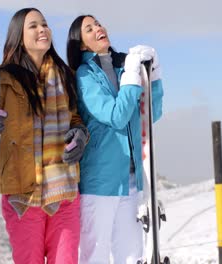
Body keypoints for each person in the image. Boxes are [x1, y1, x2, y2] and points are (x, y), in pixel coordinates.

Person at [0, 8, 88, 264]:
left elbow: (75, 119)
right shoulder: (5, 81)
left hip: (64, 192)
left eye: (44, 24)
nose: (42, 29)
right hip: (23, 198)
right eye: (33, 26)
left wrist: (79, 134)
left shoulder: (65, 76)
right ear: (19, 36)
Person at [66, 15, 164, 263]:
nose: (98, 28)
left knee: (132, 256)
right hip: (100, 183)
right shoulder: (85, 76)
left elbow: (151, 114)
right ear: (81, 45)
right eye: (89, 29)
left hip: (130, 180)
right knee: (95, 256)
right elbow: (116, 116)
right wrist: (132, 74)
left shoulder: (123, 66)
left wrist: (153, 76)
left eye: (98, 23)